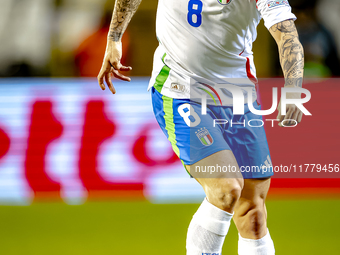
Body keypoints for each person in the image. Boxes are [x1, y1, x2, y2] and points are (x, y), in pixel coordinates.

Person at [97, 0, 304, 254]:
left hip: (237, 96)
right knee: (226, 188)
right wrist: (114, 38)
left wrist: (293, 88)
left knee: (253, 213)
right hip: (180, 90)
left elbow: (286, 33)